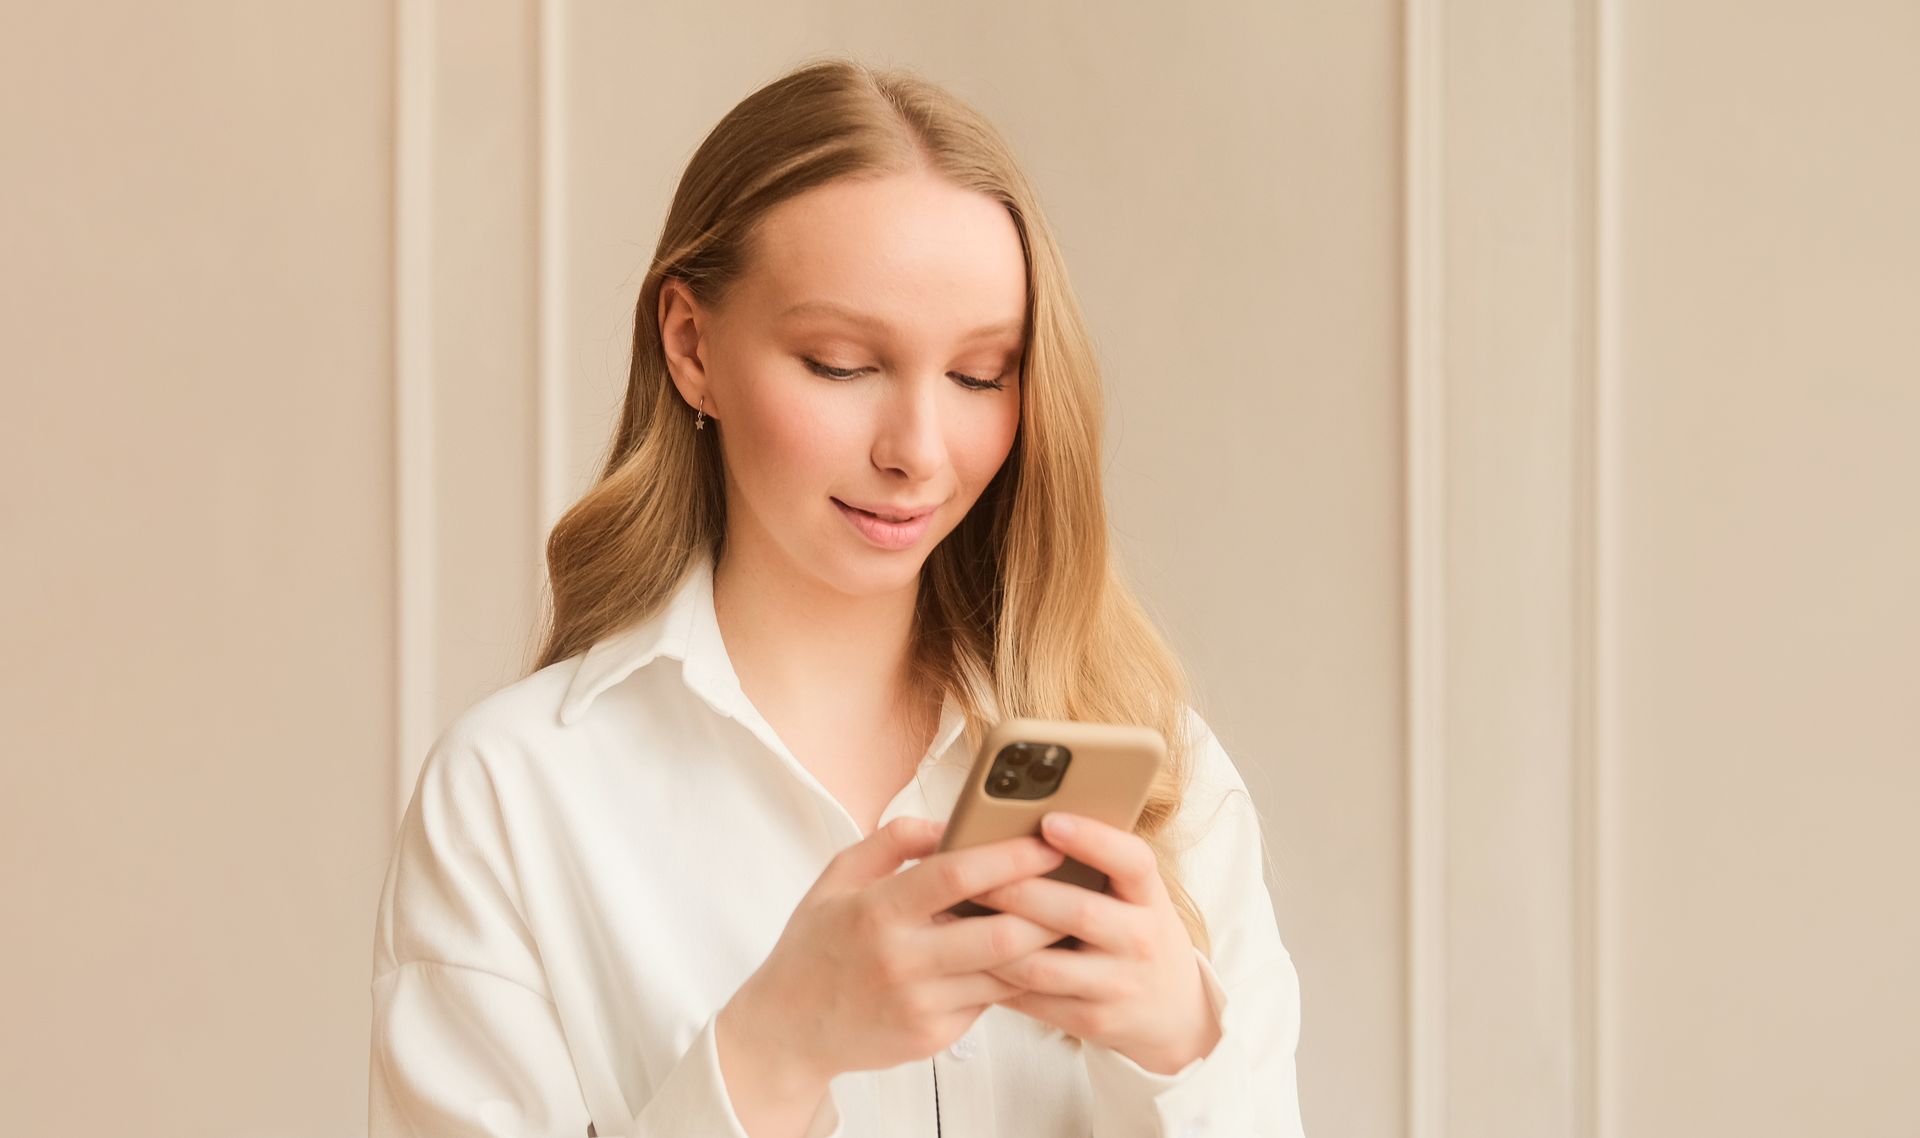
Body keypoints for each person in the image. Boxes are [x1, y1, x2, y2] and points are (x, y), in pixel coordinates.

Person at [368, 55, 1306, 1138]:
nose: (917, 450)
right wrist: (773, 1050)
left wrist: (1180, 1048)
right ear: (691, 346)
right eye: (842, 363)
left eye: (978, 375)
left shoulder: (1160, 784)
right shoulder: (512, 800)